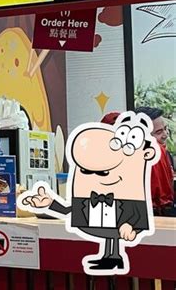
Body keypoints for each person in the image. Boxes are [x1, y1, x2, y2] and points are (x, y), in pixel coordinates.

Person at [21, 111, 159, 274]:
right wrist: (50, 204)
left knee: (114, 237)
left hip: (134, 242)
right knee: (109, 236)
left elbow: (137, 214)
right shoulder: (88, 196)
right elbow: (69, 211)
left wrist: (132, 227)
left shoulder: (130, 194)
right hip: (100, 228)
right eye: (86, 171)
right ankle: (110, 257)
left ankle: (114, 257)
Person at [135, 106, 175, 217]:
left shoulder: (163, 153)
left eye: (165, 129)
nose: (165, 135)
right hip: (155, 213)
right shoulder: (153, 151)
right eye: (159, 132)